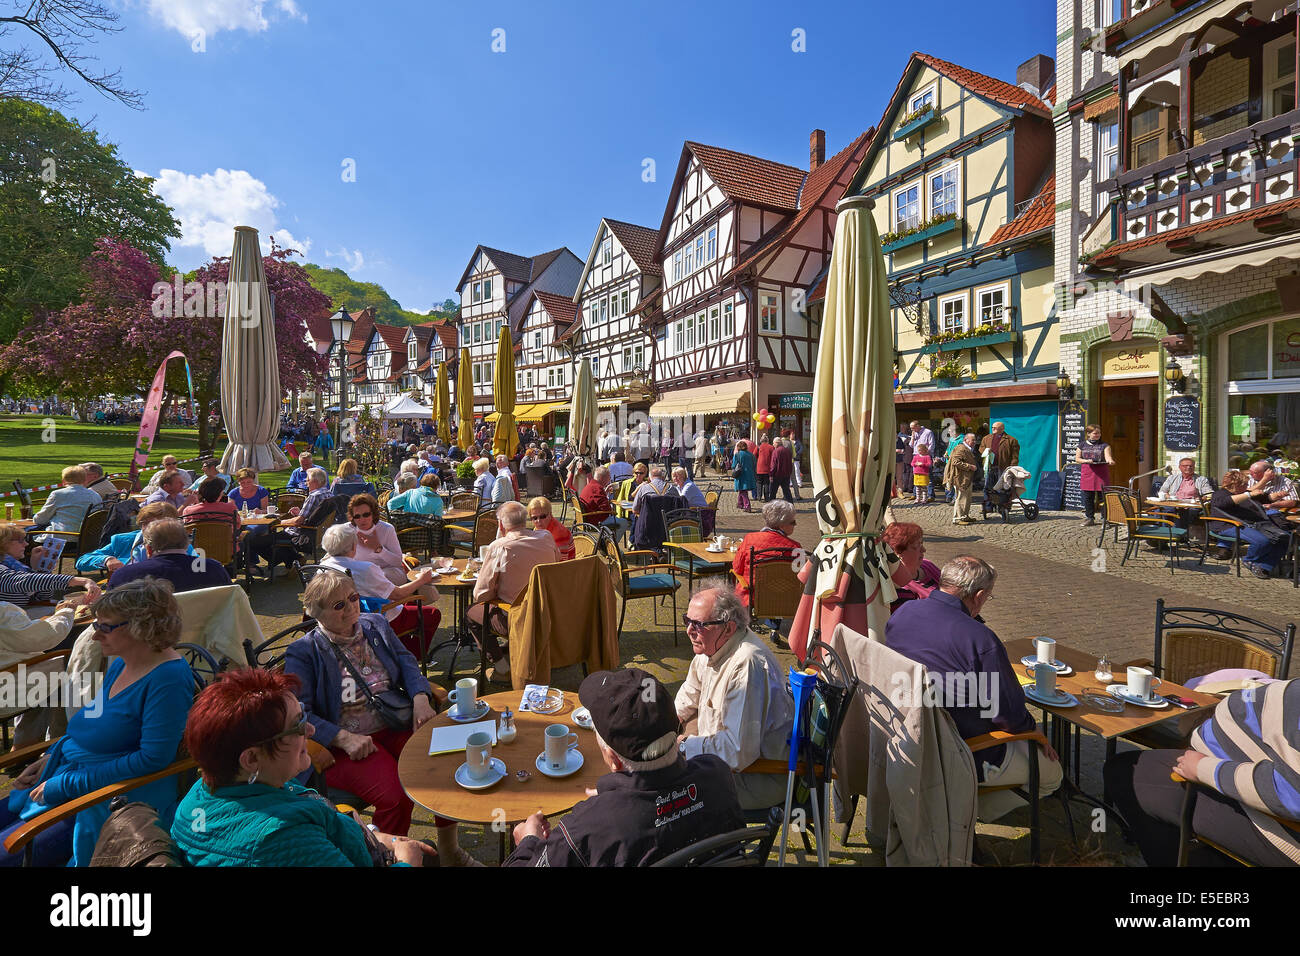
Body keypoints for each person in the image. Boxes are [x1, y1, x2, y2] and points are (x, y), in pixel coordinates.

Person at [285, 574, 477, 865]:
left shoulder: (375, 624)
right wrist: (342, 737)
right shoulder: (305, 651)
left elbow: (407, 662)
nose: (351, 607)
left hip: (395, 720)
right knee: (397, 796)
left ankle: (449, 852)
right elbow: (300, 713)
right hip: (347, 744)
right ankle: (386, 857)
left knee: (443, 765)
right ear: (316, 613)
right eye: (339, 605)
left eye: (353, 597)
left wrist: (420, 698)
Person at [0, 578, 193, 866]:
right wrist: (53, 754)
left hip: (114, 799)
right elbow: (91, 720)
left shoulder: (168, 679)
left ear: (141, 627)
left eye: (104, 627)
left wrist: (66, 784)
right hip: (70, 774)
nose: (94, 636)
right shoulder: (121, 662)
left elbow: (153, 760)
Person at [506, 668, 743, 867]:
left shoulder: (585, 829)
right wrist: (618, 801)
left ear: (613, 758)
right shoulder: (717, 774)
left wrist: (527, 842)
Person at [885, 556, 1062, 812]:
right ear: (978, 596)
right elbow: (1009, 715)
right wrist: (1036, 735)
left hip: (906, 736)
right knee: (1053, 775)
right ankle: (965, 812)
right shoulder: (980, 639)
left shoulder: (903, 612)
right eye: (989, 597)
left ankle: (952, 806)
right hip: (967, 750)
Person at [1103, 679, 1300, 867]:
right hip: (1230, 773)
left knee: (1125, 774)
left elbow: (1292, 793)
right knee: (1129, 768)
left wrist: (1202, 769)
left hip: (1274, 827)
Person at [675, 580, 794, 810]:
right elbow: (689, 695)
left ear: (728, 628)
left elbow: (737, 751)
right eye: (687, 621)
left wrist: (681, 747)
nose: (689, 630)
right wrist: (660, 728)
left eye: (698, 624)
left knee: (670, 796)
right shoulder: (710, 645)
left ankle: (704, 845)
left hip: (757, 777)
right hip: (724, 764)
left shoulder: (747, 665)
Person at [467, 502, 560, 683]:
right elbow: (555, 567)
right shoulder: (546, 537)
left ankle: (502, 668)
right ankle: (516, 651)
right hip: (548, 613)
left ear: (501, 525)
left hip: (519, 618)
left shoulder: (499, 547)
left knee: (471, 613)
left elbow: (480, 595)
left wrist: (497, 587)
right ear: (526, 521)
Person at [319, 524, 439, 657]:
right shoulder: (365, 569)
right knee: (432, 614)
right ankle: (412, 656)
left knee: (409, 605)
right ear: (354, 546)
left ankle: (395, 649)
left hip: (339, 620)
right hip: (371, 620)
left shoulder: (322, 566)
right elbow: (398, 594)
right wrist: (421, 580)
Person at [108, 518, 232, 592]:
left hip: (145, 634)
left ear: (149, 549)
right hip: (205, 633)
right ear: (186, 544)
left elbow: (109, 615)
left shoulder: (125, 576)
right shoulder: (213, 569)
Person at [250, 468, 335, 573]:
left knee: (253, 541)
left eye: (308, 480)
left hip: (301, 534)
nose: (306, 482)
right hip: (316, 533)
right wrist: (299, 512)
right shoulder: (328, 494)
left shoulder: (314, 496)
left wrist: (279, 522)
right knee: (275, 538)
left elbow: (298, 521)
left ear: (315, 481)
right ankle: (294, 559)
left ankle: (288, 559)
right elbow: (314, 515)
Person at [1209, 469, 1291, 579]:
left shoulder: (1243, 493)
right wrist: (1248, 494)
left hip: (1254, 524)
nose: (1248, 486)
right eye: (1245, 484)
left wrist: (1278, 495)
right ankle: (1249, 560)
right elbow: (1226, 502)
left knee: (1284, 539)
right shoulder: (1219, 494)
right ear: (1236, 484)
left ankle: (1264, 566)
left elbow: (1266, 498)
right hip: (1228, 525)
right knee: (1262, 541)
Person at [75, 502, 181, 575]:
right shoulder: (123, 540)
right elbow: (81, 561)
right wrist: (107, 559)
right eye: (145, 523)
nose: (149, 528)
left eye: (157, 524)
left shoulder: (180, 545)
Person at [731, 500, 800, 608]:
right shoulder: (795, 548)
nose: (795, 525)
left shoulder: (750, 539)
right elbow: (800, 578)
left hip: (752, 597)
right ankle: (774, 622)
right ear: (781, 525)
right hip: (784, 599)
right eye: (792, 522)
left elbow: (737, 568)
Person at [881, 521, 940, 614]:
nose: (924, 550)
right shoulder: (899, 586)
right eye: (917, 546)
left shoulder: (927, 565)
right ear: (897, 552)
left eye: (922, 543)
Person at [349, 494, 409, 585]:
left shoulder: (387, 529)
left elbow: (397, 561)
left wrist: (378, 549)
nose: (362, 519)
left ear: (373, 514)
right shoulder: (347, 530)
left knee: (373, 578)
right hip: (360, 574)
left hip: (388, 572)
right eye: (357, 516)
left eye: (366, 515)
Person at [32, 466, 100, 532]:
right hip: (89, 537)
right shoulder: (95, 495)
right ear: (85, 480)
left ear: (63, 481)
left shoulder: (58, 494)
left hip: (61, 537)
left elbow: (41, 519)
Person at [1074, 425, 1115, 527]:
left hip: (1101, 474)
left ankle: (1105, 519)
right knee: (1088, 497)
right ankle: (1089, 518)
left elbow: (1108, 456)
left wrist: (1110, 461)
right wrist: (1086, 461)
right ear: (1088, 434)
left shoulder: (1105, 445)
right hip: (1087, 473)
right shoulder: (1082, 445)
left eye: (1099, 433)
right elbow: (1077, 459)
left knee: (1103, 497)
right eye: (1095, 433)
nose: (1097, 435)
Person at [944, 432, 979, 524]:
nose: (974, 442)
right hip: (960, 477)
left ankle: (964, 516)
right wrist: (969, 466)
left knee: (967, 498)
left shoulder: (967, 449)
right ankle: (958, 518)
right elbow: (955, 462)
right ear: (965, 440)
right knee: (961, 498)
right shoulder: (961, 448)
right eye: (972, 440)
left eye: (975, 440)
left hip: (967, 477)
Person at [978, 421, 1020, 490]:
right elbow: (981, 448)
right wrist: (986, 451)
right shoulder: (986, 438)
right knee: (988, 486)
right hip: (989, 466)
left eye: (995, 428)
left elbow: (1015, 456)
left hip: (1003, 467)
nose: (993, 429)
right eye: (992, 427)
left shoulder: (1011, 440)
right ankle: (987, 500)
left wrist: (1011, 468)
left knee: (1002, 487)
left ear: (1002, 429)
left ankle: (1001, 500)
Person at [732, 439, 757, 513]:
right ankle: (740, 504)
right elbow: (754, 465)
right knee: (742, 490)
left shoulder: (737, 454)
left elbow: (733, 465)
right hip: (750, 475)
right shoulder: (751, 455)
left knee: (743, 491)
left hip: (741, 475)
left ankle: (747, 506)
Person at [767, 437, 794, 502]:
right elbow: (790, 463)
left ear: (777, 443)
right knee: (787, 491)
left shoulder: (776, 451)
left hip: (777, 475)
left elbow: (773, 465)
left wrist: (771, 474)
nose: (773, 444)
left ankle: (771, 506)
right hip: (786, 474)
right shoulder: (787, 451)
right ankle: (791, 505)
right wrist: (789, 472)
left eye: (773, 443)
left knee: (773, 492)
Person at [755, 434, 774, 501]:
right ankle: (766, 497)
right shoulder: (771, 447)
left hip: (759, 468)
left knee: (759, 482)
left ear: (761, 441)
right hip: (767, 468)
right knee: (766, 483)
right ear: (768, 440)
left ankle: (759, 496)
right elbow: (773, 457)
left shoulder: (758, 447)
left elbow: (754, 455)